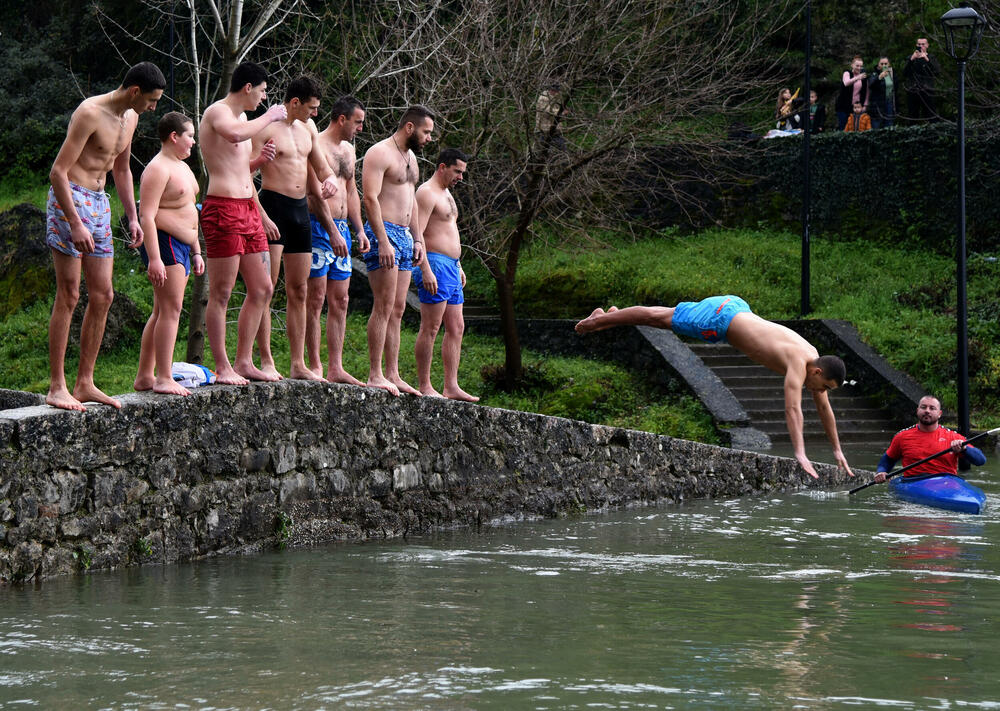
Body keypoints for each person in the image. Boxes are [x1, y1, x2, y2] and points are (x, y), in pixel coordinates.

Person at [575, 296, 852, 479]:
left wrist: (837, 450)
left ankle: (613, 315)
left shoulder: (813, 357)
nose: (819, 392)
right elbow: (793, 409)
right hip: (721, 319)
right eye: (822, 386)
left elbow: (825, 410)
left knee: (661, 318)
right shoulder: (798, 361)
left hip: (736, 309)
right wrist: (800, 453)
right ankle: (600, 319)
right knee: (659, 319)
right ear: (817, 371)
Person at [45, 61, 165, 411]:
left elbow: (122, 168)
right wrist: (74, 221)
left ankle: (85, 382)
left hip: (100, 202)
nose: (153, 107)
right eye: (152, 100)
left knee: (104, 294)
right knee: (69, 293)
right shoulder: (89, 113)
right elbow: (58, 171)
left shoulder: (131, 117)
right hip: (71, 198)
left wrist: (133, 216)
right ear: (134, 92)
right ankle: (56, 385)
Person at [198, 61, 288, 385]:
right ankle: (223, 367)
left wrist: (258, 163)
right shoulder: (218, 113)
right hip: (222, 208)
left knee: (263, 288)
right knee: (221, 293)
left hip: (248, 208)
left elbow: (240, 169)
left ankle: (245, 360)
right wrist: (271, 116)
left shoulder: (243, 118)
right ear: (248, 87)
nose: (264, 99)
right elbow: (234, 135)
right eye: (262, 92)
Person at [250, 75, 339, 381]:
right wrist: (260, 215)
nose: (316, 114)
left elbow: (321, 165)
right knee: (266, 288)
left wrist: (329, 179)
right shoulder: (265, 126)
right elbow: (243, 173)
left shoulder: (308, 128)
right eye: (311, 108)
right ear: (295, 102)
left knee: (299, 290)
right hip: (272, 206)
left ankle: (298, 363)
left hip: (300, 210)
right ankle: (266, 359)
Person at [361, 105, 434, 396]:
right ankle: (375, 373)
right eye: (426, 131)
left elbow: (412, 201)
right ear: (409, 128)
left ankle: (393, 373)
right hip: (385, 233)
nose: (429, 137)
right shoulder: (379, 153)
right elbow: (370, 198)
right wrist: (383, 240)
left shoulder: (412, 158)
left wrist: (418, 239)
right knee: (384, 305)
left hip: (405, 235)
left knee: (399, 309)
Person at [133, 112, 204, 396]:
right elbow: (146, 216)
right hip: (165, 243)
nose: (193, 142)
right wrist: (154, 258)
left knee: (162, 310)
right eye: (190, 136)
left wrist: (197, 249)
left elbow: (189, 210)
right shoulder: (158, 168)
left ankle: (144, 375)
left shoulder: (181, 166)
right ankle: (163, 376)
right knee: (170, 310)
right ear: (174, 136)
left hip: (184, 245)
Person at [305, 95, 370, 384]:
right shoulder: (315, 144)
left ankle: (336, 366)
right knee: (315, 297)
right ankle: (315, 365)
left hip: (343, 227)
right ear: (341, 119)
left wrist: (359, 229)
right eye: (357, 122)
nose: (360, 128)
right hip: (318, 226)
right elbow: (312, 194)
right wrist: (331, 230)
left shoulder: (349, 151)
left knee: (341, 299)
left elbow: (351, 191)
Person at [413, 149, 478, 402]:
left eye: (462, 172)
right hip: (435, 264)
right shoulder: (426, 193)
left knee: (457, 326)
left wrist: (459, 264)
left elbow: (449, 230)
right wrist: (425, 268)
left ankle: (451, 385)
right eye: (457, 171)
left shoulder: (447, 194)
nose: (461, 177)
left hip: (451, 265)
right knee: (431, 327)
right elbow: (416, 233)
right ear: (442, 167)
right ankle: (425, 384)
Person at [873, 395, 986, 483]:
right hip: (914, 482)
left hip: (947, 483)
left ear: (939, 414)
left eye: (932, 408)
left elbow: (981, 460)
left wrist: (964, 449)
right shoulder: (902, 437)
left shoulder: (954, 437)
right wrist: (882, 472)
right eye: (923, 407)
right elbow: (888, 460)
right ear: (917, 410)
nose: (927, 411)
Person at [903, 38, 940, 123]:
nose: (921, 46)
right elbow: (904, 73)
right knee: (912, 114)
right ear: (916, 45)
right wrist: (911, 60)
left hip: (928, 89)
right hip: (913, 89)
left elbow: (937, 72)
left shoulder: (931, 57)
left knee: (931, 113)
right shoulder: (910, 58)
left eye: (923, 44)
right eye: (919, 44)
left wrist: (927, 59)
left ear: (927, 45)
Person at [835, 56, 868, 131]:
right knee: (843, 127)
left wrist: (865, 105)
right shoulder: (847, 73)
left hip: (855, 107)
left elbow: (866, 91)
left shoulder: (863, 76)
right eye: (857, 65)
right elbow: (846, 83)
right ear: (852, 65)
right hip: (843, 106)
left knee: (854, 128)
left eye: (861, 66)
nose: (859, 68)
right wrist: (857, 78)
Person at [535, 83, 568, 149]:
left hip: (554, 128)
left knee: (559, 148)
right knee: (544, 148)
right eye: (553, 90)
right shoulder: (543, 98)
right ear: (549, 89)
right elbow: (546, 112)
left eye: (556, 90)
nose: (555, 92)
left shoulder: (557, 97)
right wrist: (561, 112)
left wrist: (563, 113)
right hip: (544, 129)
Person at [868, 56, 897, 129]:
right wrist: (879, 78)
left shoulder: (892, 74)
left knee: (889, 125)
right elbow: (871, 85)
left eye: (885, 64)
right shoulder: (874, 74)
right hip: (878, 104)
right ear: (878, 64)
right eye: (882, 64)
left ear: (889, 64)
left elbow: (895, 88)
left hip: (889, 103)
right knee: (877, 126)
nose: (884, 65)